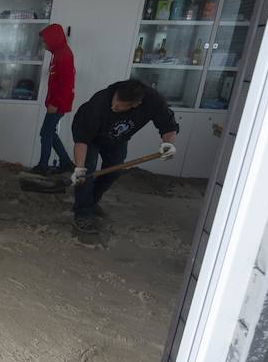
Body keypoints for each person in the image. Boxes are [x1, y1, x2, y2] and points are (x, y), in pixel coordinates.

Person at [69, 79, 179, 232]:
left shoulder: (153, 101)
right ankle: (82, 213)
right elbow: (82, 141)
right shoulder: (97, 105)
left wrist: (168, 144)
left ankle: (91, 202)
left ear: (135, 105)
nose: (114, 107)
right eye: (115, 102)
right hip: (91, 138)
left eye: (120, 107)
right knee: (86, 172)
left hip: (117, 139)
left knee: (113, 172)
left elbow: (168, 125)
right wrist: (79, 168)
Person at [29, 23, 75, 175]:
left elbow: (66, 85)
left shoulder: (64, 56)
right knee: (49, 133)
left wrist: (55, 104)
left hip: (58, 104)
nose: (43, 44)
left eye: (45, 41)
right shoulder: (58, 53)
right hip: (56, 102)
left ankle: (43, 166)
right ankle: (67, 163)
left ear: (54, 39)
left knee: (46, 133)